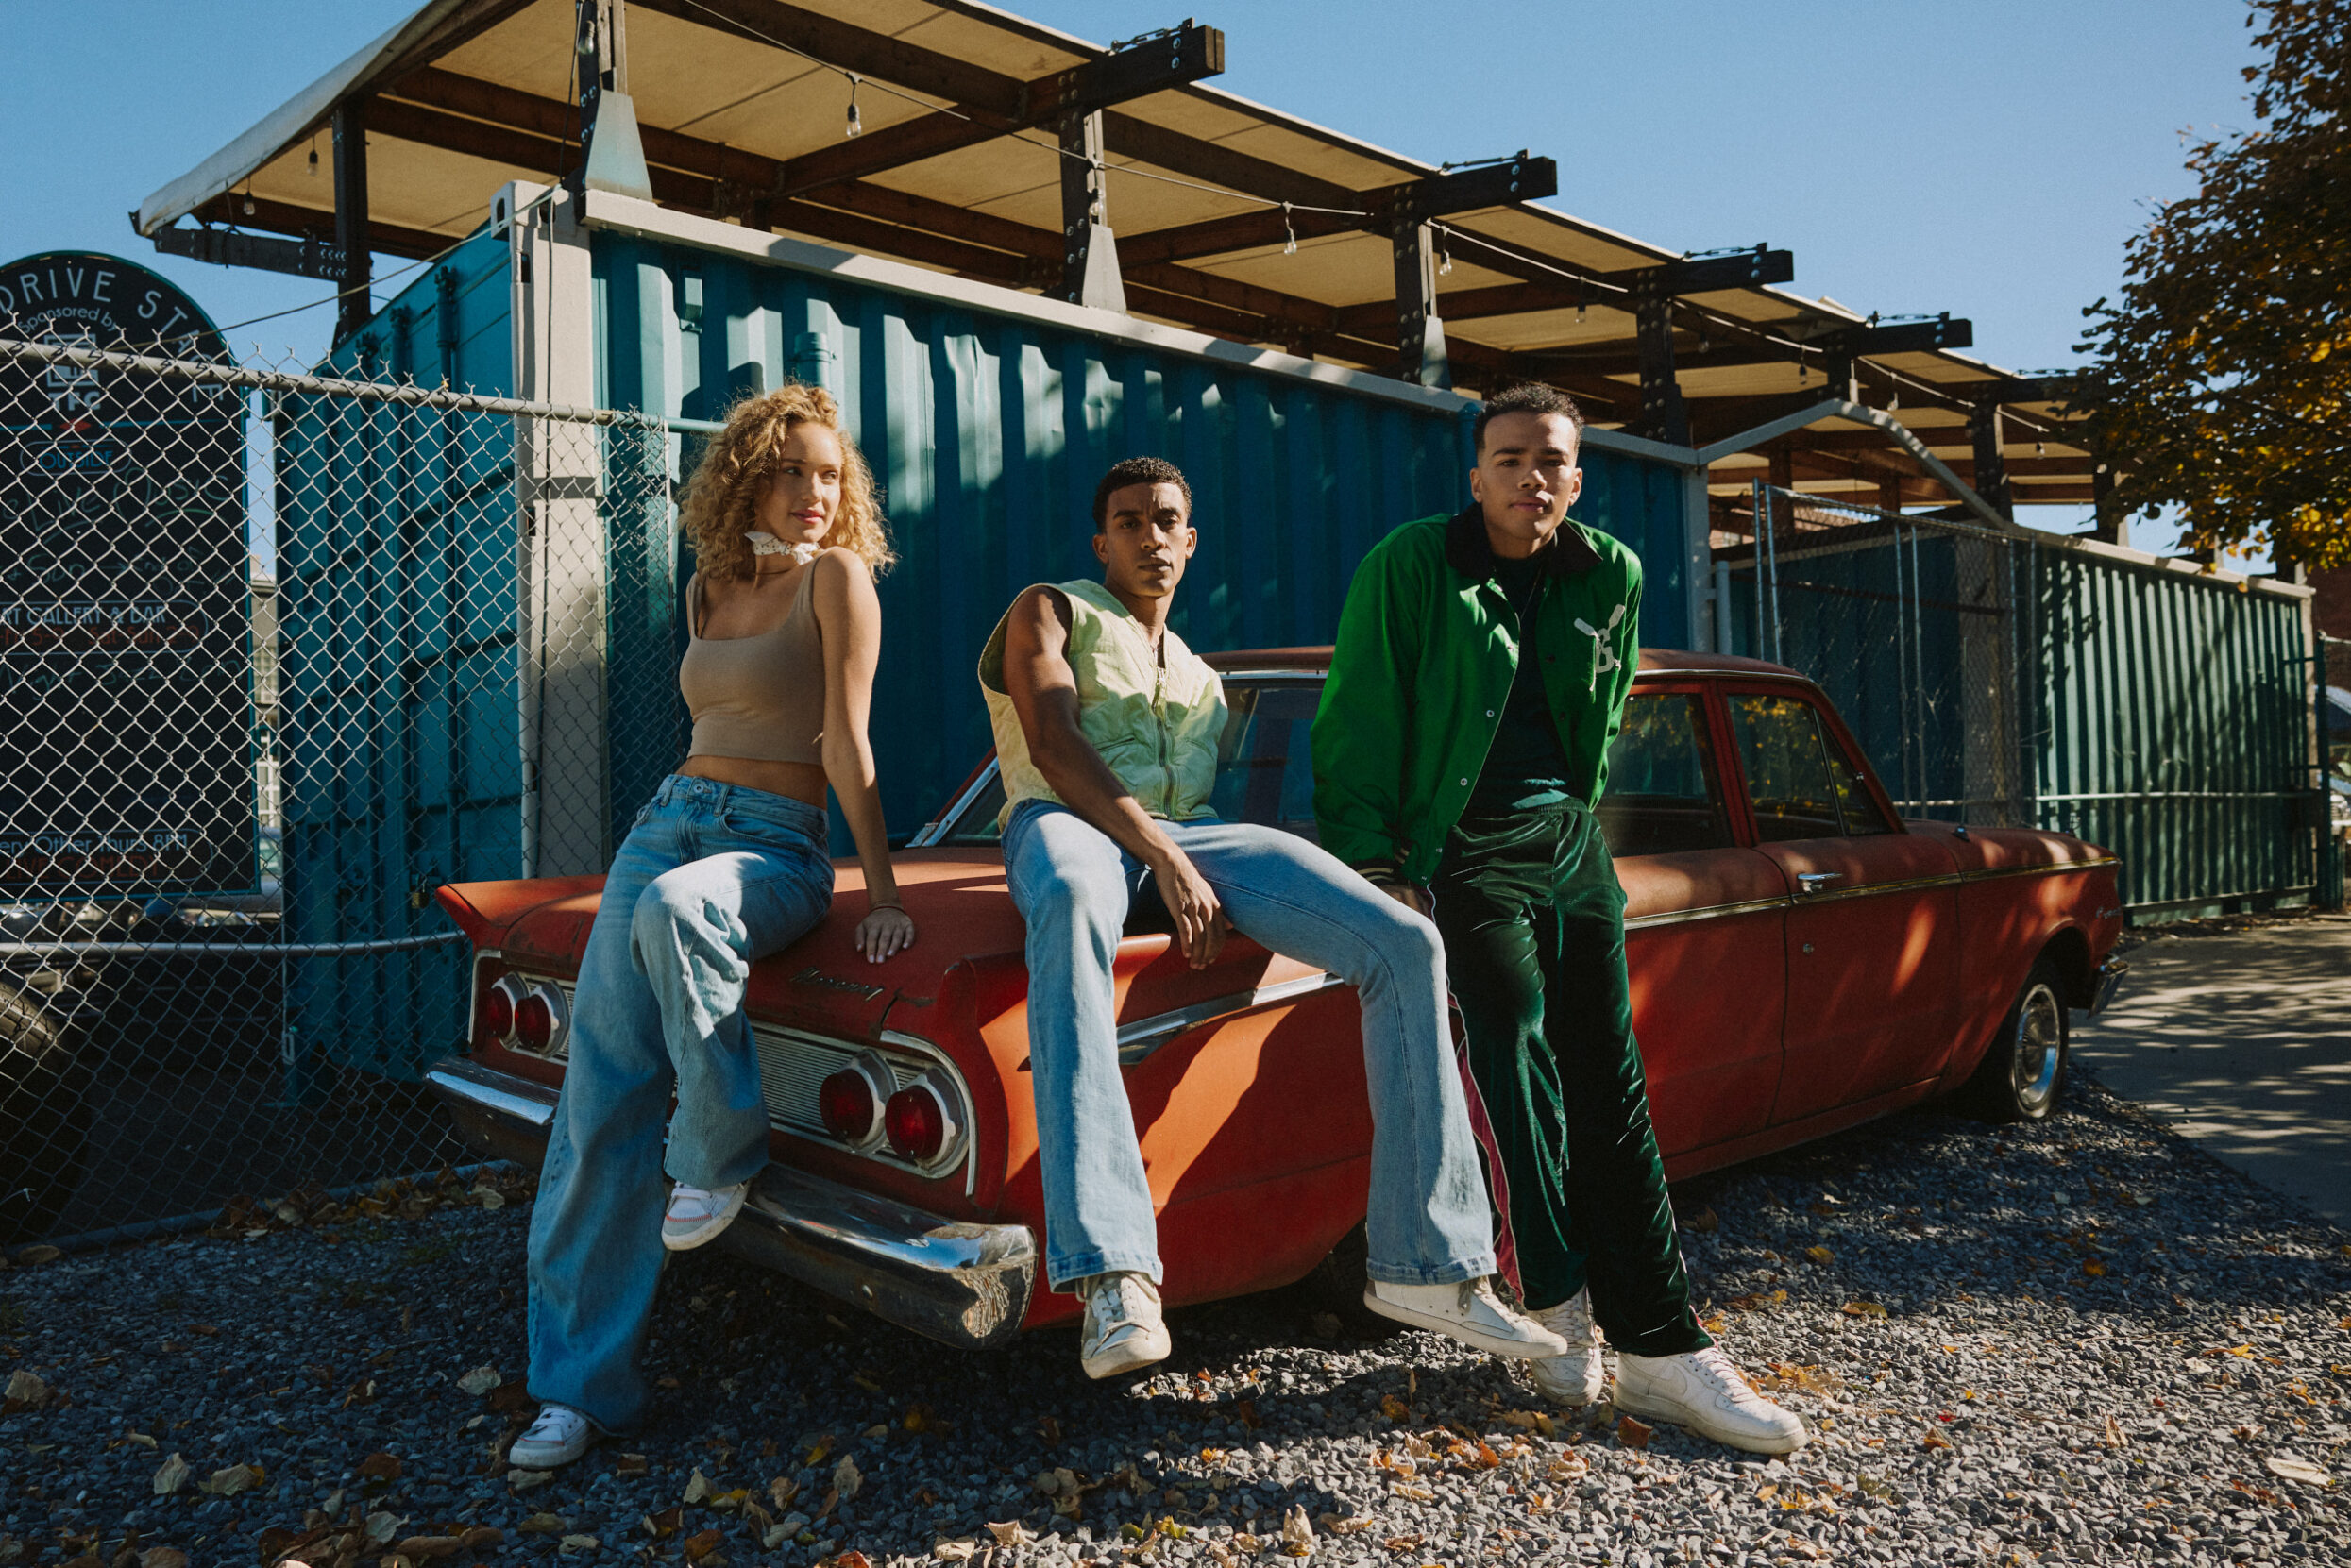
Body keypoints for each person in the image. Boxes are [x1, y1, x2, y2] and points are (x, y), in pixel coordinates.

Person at [981, 454, 1566, 1378]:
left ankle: (1427, 1261)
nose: (1149, 536)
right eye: (1128, 522)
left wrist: (1195, 854)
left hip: (1191, 833)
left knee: (1407, 940)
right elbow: (1052, 741)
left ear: (1191, 541)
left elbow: (1223, 806)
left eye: (1165, 521)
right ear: (1102, 543)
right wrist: (1165, 858)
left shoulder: (1202, 675)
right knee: (1071, 892)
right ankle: (1113, 1274)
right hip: (1065, 819)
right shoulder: (1049, 608)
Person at [1311, 384, 1806, 1455]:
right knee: (1514, 1054)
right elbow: (1357, 719)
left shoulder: (1611, 571)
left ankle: (1663, 1347)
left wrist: (1578, 832)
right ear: (1476, 475)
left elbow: (1605, 709)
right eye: (1510, 459)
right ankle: (1557, 1293)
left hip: (1570, 843)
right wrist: (1380, 864)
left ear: (1576, 479)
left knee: (1611, 1079)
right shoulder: (1413, 565)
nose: (1531, 478)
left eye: (1551, 462)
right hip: (1459, 843)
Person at [511, 385, 915, 1468]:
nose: (813, 491)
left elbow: (845, 741)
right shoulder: (710, 587)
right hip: (667, 820)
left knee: (682, 909)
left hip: (775, 844)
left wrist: (880, 891)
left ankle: (718, 1150)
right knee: (597, 1098)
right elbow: (713, 718)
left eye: (829, 473)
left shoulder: (838, 578)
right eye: (791, 470)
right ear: (746, 475)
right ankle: (577, 1391)